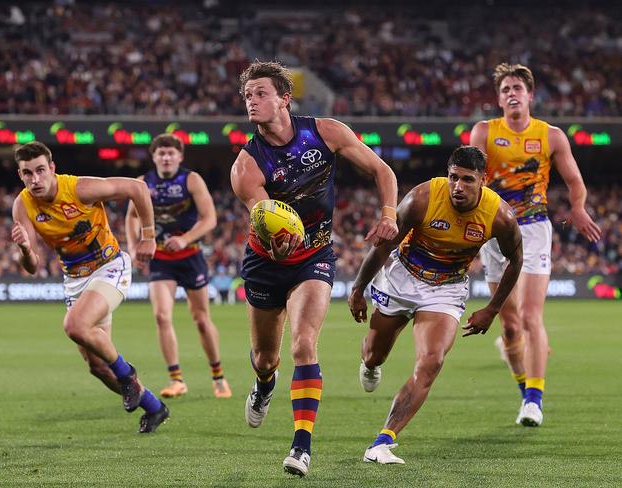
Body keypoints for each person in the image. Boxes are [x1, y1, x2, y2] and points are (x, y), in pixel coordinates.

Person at [230, 60, 399, 477]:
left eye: (261, 93)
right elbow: (264, 216)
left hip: (315, 257)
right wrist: (280, 235)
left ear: (285, 98)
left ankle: (301, 447)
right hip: (267, 262)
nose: (252, 101)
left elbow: (382, 170)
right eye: (248, 96)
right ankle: (264, 386)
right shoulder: (246, 166)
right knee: (265, 358)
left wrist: (390, 214)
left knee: (304, 344)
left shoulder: (326, 132)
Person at [348, 146, 523, 464]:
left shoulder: (500, 215)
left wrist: (492, 309)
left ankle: (383, 441)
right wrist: (359, 289)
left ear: (483, 180)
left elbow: (516, 260)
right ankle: (371, 365)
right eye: (453, 177)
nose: (458, 186)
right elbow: (385, 244)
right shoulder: (423, 198)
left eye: (468, 180)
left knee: (431, 362)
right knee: (375, 354)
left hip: (446, 289)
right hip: (401, 278)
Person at [470, 63, 601, 426]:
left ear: (530, 95)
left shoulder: (551, 136)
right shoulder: (483, 132)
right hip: (494, 230)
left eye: (517, 88)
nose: (512, 93)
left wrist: (577, 208)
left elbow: (574, 179)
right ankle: (523, 387)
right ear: (499, 99)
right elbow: (469, 178)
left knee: (530, 316)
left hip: (533, 229)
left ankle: (534, 399)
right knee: (509, 326)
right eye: (505, 89)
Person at [11, 141, 169, 433]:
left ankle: (128, 375)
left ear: (52, 169)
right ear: (20, 175)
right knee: (97, 366)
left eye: (40, 171)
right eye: (27, 173)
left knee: (74, 325)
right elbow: (32, 267)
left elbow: (137, 188)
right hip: (74, 281)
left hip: (109, 267)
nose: (35, 179)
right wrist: (23, 249)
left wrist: (148, 235)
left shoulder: (79, 188)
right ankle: (155, 407)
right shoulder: (23, 206)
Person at [125, 134, 232, 399]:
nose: (166, 157)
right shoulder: (142, 183)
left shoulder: (191, 179)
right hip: (161, 258)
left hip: (190, 255)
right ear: (154, 157)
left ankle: (218, 377)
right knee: (162, 316)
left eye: (171, 153)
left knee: (201, 319)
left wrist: (185, 239)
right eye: (161, 153)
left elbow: (209, 219)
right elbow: (131, 216)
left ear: (180, 157)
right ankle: (176, 379)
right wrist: (133, 245)